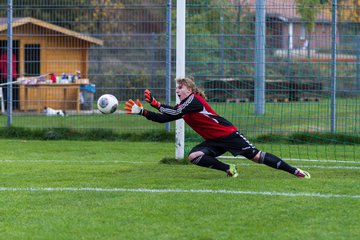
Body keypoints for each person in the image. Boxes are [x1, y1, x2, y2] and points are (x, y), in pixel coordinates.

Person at [124, 77, 311, 179]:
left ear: (189, 90)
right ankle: (229, 169)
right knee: (194, 157)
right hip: (214, 141)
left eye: (180, 87)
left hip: (228, 134)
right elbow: (165, 117)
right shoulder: (184, 107)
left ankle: (294, 171)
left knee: (256, 156)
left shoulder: (194, 101)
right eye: (176, 88)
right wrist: (142, 112)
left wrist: (155, 103)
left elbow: (172, 112)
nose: (177, 90)